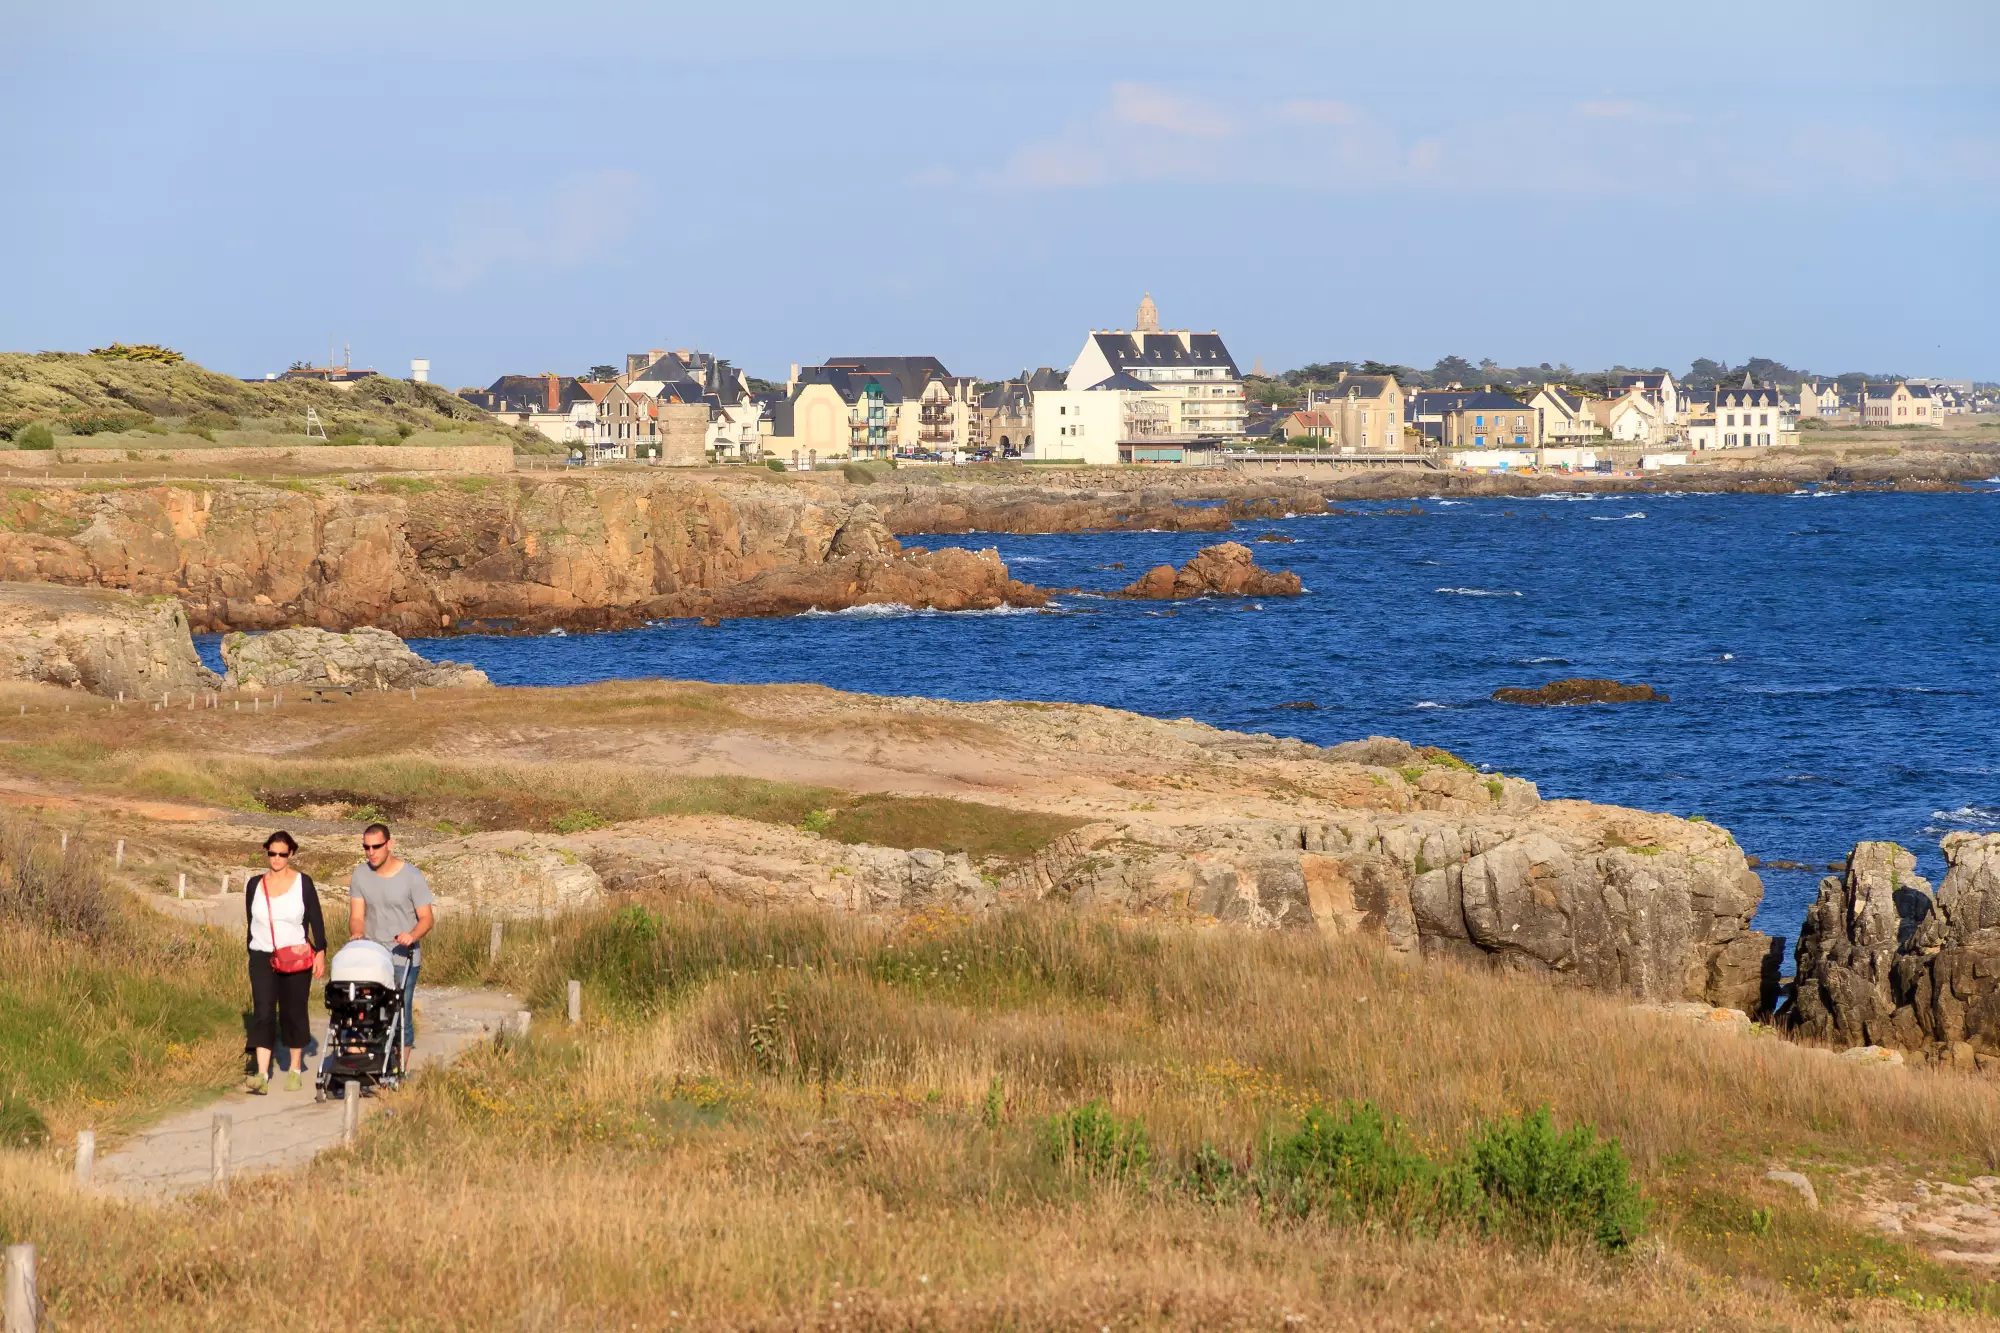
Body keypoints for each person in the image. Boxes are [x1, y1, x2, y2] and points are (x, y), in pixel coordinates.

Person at [244, 831, 327, 1094]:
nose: (276, 858)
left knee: (293, 1011)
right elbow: (251, 921)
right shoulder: (254, 884)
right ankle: (261, 1074)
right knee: (263, 1012)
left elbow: (315, 918)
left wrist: (321, 951)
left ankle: (294, 1069)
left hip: (295, 955)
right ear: (267, 852)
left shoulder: (304, 882)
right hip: (262, 956)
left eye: (282, 853)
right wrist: (252, 950)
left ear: (291, 853)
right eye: (272, 853)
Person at [348, 822, 434, 1052]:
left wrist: (412, 935)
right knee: (367, 1012)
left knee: (401, 1015)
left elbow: (427, 918)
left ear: (389, 844)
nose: (371, 852)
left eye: (376, 846)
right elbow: (357, 915)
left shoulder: (412, 876)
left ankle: (399, 1073)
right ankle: (370, 1067)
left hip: (403, 958)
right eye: (366, 847)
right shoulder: (360, 874)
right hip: (373, 955)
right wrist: (357, 932)